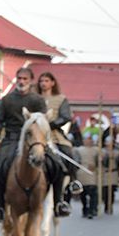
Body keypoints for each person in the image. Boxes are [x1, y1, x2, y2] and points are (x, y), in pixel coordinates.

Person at [0, 67, 48, 221]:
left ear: (31, 80)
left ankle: (60, 200)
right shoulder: (6, 99)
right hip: (11, 139)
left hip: (33, 139)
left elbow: (43, 120)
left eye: (25, 79)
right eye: (19, 78)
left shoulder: (37, 100)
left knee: (56, 165)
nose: (21, 81)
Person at [37, 71, 78, 217]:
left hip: (54, 134)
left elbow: (66, 117)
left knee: (67, 153)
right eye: (41, 80)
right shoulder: (34, 98)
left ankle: (73, 182)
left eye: (46, 80)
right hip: (36, 134)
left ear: (52, 83)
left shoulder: (61, 99)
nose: (43, 83)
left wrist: (51, 124)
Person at [75, 135, 100, 218]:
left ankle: (92, 210)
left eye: (90, 139)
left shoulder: (96, 150)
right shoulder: (78, 150)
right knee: (83, 193)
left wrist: (98, 162)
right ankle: (85, 208)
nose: (88, 141)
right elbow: (76, 161)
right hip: (82, 172)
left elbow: (100, 161)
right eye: (86, 139)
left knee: (93, 193)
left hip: (92, 173)